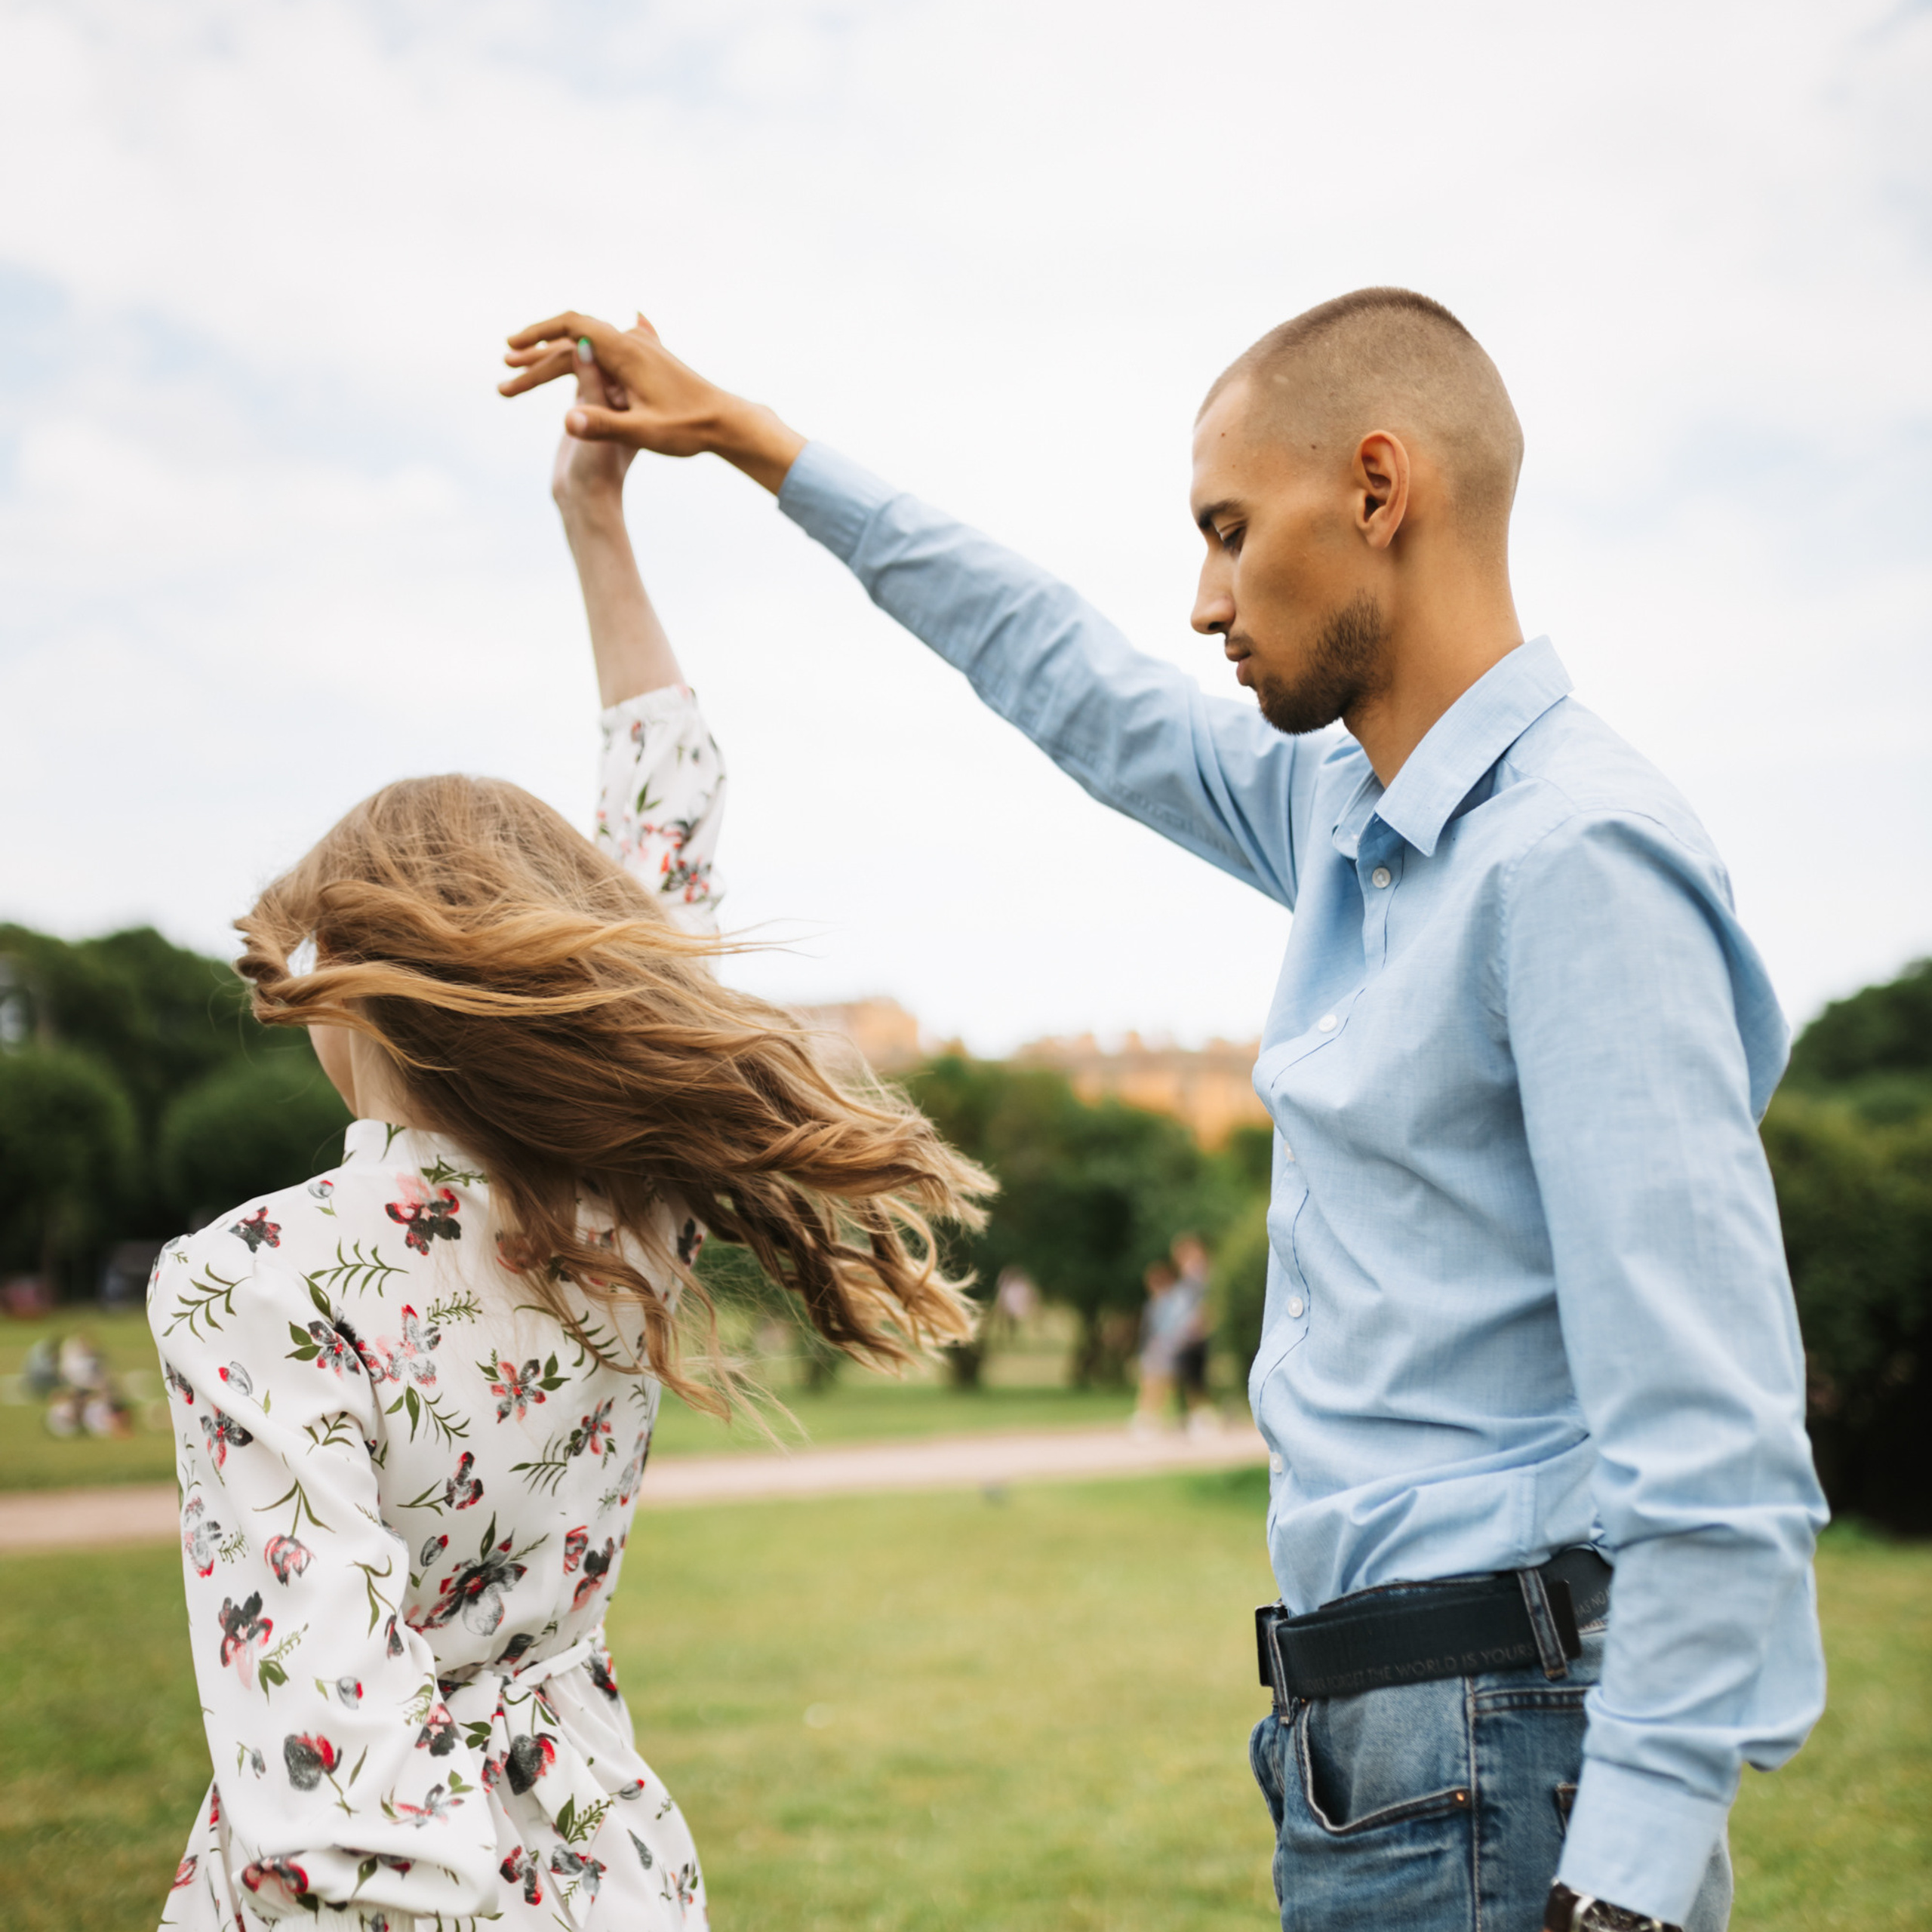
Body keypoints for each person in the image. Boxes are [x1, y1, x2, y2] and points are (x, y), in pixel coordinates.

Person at [500, 293, 1829, 1932]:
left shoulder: (1571, 861)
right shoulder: (1344, 817)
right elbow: (1063, 671)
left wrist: (1624, 1883)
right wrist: (757, 443)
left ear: (1373, 487)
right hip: (1375, 1737)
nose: (1200, 601)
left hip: (1512, 1742)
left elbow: (1715, 1427)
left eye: (1224, 530)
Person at [149, 340, 989, 1932]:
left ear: (367, 992)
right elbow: (666, 819)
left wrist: (590, 507)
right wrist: (597, 519)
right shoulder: (633, 1210)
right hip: (599, 1869)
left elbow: (334, 1787)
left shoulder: (255, 1274)